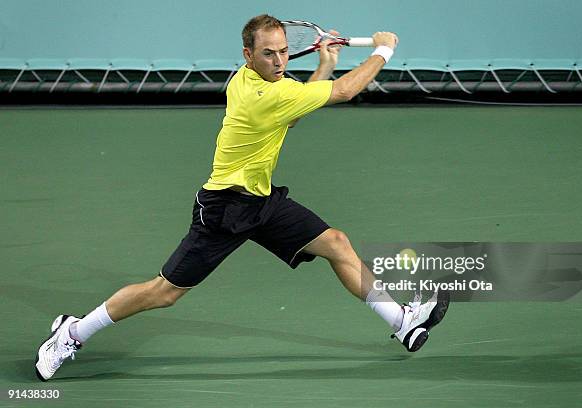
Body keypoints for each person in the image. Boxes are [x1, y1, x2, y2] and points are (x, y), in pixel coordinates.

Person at [35, 14, 449, 381]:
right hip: (223, 210)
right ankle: (71, 334)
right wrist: (383, 50)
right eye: (269, 54)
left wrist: (322, 65)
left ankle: (403, 322)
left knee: (337, 243)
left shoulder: (259, 81)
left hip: (262, 202)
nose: (280, 62)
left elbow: (294, 116)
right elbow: (342, 93)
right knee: (163, 293)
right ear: (247, 54)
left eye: (285, 52)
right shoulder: (262, 94)